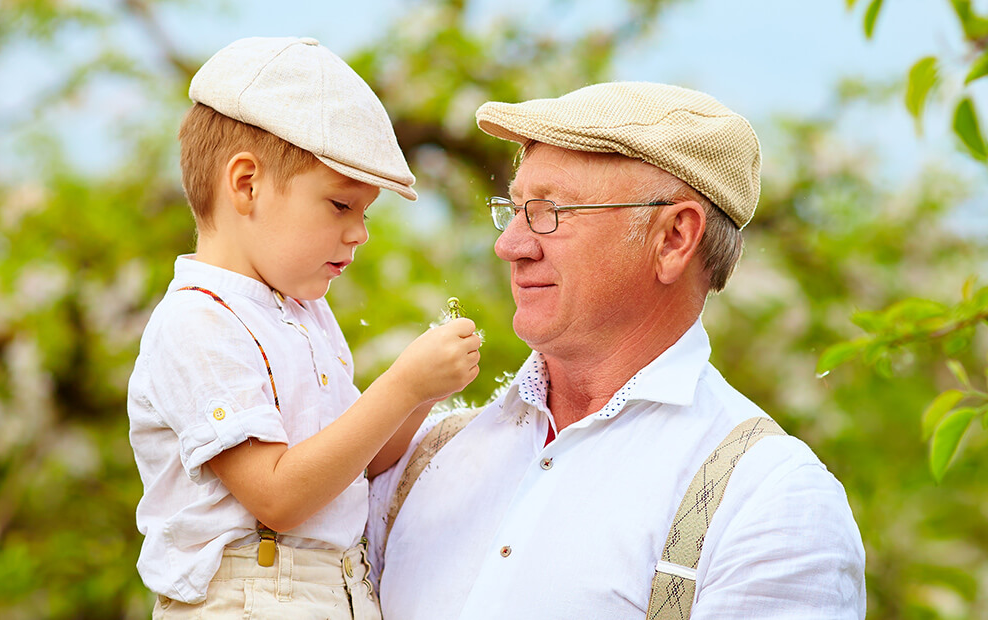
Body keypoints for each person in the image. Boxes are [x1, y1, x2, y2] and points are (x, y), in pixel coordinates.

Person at [366, 81, 865, 618]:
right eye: (512, 209)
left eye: (550, 211)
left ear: (674, 238)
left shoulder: (771, 500)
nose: (510, 245)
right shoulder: (417, 455)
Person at [126, 36, 481, 618]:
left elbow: (357, 464)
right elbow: (279, 496)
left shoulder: (302, 312)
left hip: (333, 590)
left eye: (365, 212)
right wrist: (403, 385)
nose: (360, 233)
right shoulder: (199, 319)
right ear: (246, 184)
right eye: (341, 206)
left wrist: (427, 393)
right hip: (251, 596)